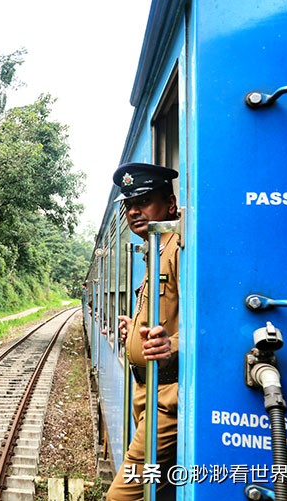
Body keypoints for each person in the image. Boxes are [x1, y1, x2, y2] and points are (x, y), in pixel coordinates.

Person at [106, 162, 180, 501]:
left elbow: (206, 323)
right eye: (129, 205)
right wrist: (133, 329)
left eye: (144, 201)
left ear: (169, 203)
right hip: (146, 391)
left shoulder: (179, 249)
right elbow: (166, 314)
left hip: (168, 398)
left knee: (121, 496)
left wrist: (173, 346)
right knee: (160, 488)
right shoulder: (155, 250)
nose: (134, 211)